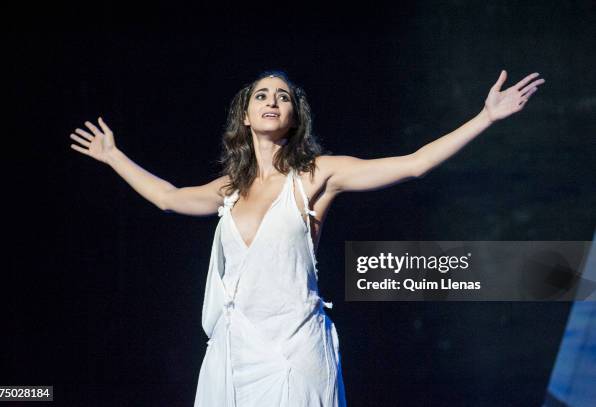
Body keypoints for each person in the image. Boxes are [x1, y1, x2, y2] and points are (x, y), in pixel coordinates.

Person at [69, 69, 544, 406]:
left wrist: (485, 117)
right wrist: (113, 156)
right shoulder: (229, 189)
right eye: (262, 95)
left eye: (283, 96)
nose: (272, 100)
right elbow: (169, 198)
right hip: (235, 353)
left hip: (294, 349)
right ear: (246, 116)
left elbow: (414, 164)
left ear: (294, 116)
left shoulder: (315, 175)